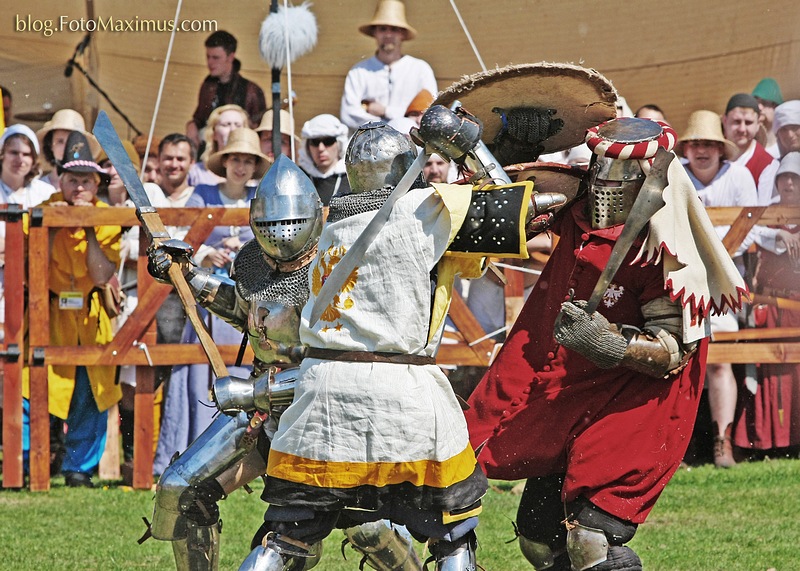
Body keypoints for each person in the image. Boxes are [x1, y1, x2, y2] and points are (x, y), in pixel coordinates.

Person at [238, 109, 565, 570]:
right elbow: (519, 207)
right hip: (406, 398)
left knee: (284, 539)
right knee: (453, 536)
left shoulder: (329, 231)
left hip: (323, 400)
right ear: (407, 165)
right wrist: (467, 143)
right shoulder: (431, 211)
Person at [465, 117, 747, 570]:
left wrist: (612, 343)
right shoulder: (577, 209)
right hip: (571, 394)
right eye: (598, 169)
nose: (601, 184)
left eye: (615, 174)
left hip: (634, 403)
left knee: (591, 540)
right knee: (539, 538)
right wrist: (482, 145)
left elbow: (674, 351)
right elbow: (502, 195)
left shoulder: (666, 249)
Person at [147, 156, 424, 571]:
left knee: (368, 527)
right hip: (262, 412)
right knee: (181, 489)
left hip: (326, 414)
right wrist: (185, 274)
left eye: (289, 223)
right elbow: (245, 307)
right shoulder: (256, 264)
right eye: (270, 226)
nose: (281, 235)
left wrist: (250, 392)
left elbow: (345, 361)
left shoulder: (337, 266)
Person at [152, 128, 269, 476]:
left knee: (246, 370)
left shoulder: (261, 196)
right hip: (208, 298)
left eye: (248, 161)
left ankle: (243, 456)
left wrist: (247, 254)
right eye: (236, 159)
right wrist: (206, 252)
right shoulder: (202, 194)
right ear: (225, 161)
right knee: (197, 373)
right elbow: (183, 240)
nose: (241, 166)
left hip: (248, 299)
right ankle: (190, 450)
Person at [22, 131, 122, 488]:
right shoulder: (42, 210)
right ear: (60, 180)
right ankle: (28, 461)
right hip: (47, 314)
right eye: (73, 179)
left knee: (90, 393)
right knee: (31, 389)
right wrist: (57, 222)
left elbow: (101, 274)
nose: (79, 187)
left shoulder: (107, 216)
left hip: (90, 316)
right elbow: (32, 265)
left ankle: (79, 468)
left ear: (97, 184)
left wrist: (88, 228)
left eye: (87, 181)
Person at [678, 109, 759, 468]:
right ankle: (674, 445)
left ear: (721, 149)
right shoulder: (675, 175)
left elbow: (752, 228)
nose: (703, 150)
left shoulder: (738, 176)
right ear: (687, 148)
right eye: (696, 143)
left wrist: (712, 258)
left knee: (720, 362)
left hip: (724, 287)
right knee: (674, 361)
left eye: (710, 143)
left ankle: (721, 441)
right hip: (680, 283)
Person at [734, 151, 800, 458]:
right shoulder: (767, 212)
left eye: (795, 178)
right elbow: (749, 232)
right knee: (770, 370)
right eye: (784, 177)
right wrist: (775, 232)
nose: (788, 183)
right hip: (771, 301)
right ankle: (767, 441)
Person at [340, 0, 437, 131]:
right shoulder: (359, 71)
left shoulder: (420, 69)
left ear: (402, 33)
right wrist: (388, 126)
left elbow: (427, 112)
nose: (388, 35)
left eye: (394, 29)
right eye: (382, 29)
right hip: (369, 143)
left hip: (410, 142)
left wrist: (386, 111)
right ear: (375, 33)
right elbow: (348, 114)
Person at [186, 30, 267, 149]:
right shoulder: (208, 85)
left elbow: (261, 132)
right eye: (208, 56)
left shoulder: (252, 91)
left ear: (231, 57)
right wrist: (191, 125)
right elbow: (199, 118)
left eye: (216, 58)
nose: (209, 62)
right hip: (208, 152)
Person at [721, 93, 779, 205]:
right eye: (736, 122)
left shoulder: (768, 165)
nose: (742, 129)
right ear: (725, 121)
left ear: (758, 125)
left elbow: (763, 213)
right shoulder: (712, 154)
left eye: (748, 123)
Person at [35, 108, 100, 190]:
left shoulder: (91, 188)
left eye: (72, 141)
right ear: (50, 145)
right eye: (60, 141)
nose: (66, 147)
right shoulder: (37, 189)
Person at [188, 104, 249, 187]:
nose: (233, 130)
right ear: (214, 133)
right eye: (226, 125)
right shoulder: (196, 174)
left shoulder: (253, 175)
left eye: (238, 125)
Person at [297, 113, 351, 205]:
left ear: (339, 144)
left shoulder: (352, 178)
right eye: (315, 142)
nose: (321, 148)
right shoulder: (298, 178)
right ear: (307, 147)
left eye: (328, 141)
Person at [752, 78, 784, 157]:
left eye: (765, 103)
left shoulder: (785, 148)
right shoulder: (748, 146)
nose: (759, 107)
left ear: (776, 107)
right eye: (756, 102)